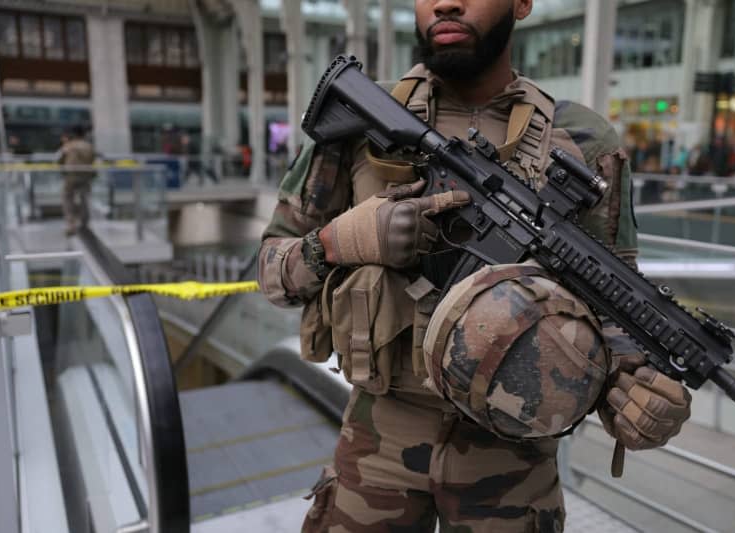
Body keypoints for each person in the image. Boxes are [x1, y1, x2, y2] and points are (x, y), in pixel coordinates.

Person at [258, 1, 692, 531]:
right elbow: (271, 273)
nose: (445, 1)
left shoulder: (582, 141)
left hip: (516, 458)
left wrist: (634, 393)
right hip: (377, 439)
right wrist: (339, 241)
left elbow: (614, 305)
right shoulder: (364, 116)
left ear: (523, 3)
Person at [58, 125, 95, 236]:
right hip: (86, 176)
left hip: (71, 176)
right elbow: (93, 159)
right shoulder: (89, 146)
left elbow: (60, 160)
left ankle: (71, 224)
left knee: (68, 198)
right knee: (84, 199)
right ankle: (84, 222)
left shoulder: (69, 146)